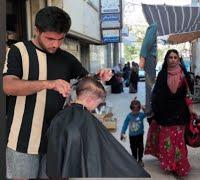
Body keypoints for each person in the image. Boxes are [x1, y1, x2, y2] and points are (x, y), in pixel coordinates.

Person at [2, 6, 112, 179]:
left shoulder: (66, 58)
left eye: (60, 39)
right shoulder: (19, 51)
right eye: (50, 38)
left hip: (56, 141)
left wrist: (100, 76)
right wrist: (49, 83)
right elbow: (8, 86)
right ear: (37, 31)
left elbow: (85, 81)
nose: (55, 44)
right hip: (22, 142)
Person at [46, 77, 150, 178]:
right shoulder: (87, 120)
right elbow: (108, 149)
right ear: (91, 100)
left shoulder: (60, 115)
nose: (97, 107)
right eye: (98, 104)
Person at [145, 49, 193, 176]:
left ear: (178, 59)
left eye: (175, 57)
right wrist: (153, 110)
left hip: (180, 114)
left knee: (179, 142)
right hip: (164, 114)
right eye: (170, 57)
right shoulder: (162, 74)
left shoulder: (184, 75)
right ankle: (168, 165)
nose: (172, 60)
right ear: (166, 59)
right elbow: (156, 94)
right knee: (167, 142)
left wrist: (192, 112)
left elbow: (188, 95)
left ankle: (180, 167)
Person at [120, 98, 146, 167]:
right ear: (131, 109)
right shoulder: (129, 116)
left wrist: (144, 109)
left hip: (140, 135)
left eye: (137, 111)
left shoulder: (141, 115)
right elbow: (125, 124)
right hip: (132, 136)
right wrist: (123, 132)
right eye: (134, 111)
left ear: (139, 109)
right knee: (133, 147)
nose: (136, 113)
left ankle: (140, 159)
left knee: (141, 147)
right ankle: (134, 158)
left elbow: (147, 114)